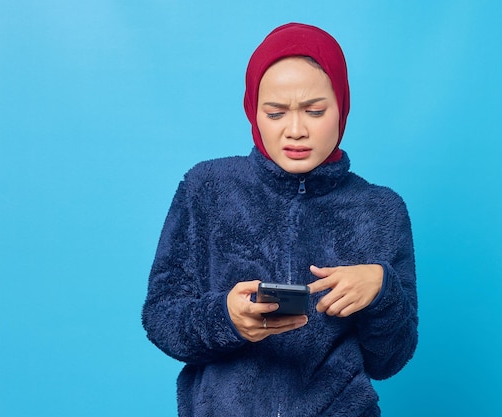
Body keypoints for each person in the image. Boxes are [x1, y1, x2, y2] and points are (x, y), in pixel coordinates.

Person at [142, 22, 418, 417]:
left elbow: (388, 362)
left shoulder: (380, 210)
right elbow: (161, 316)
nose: (295, 130)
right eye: (275, 113)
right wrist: (226, 319)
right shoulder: (206, 188)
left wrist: (382, 292)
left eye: (315, 111)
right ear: (253, 111)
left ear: (342, 106)